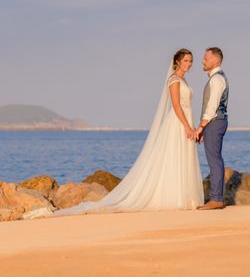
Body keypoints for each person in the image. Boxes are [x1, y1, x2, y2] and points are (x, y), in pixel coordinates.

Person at [54, 48, 204, 215]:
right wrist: (187, 127)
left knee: (183, 158)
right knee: (174, 157)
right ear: (177, 61)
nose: (189, 64)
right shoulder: (174, 79)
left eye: (190, 61)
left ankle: (185, 196)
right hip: (178, 123)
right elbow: (176, 106)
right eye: (186, 61)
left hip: (186, 120)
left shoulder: (184, 80)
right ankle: (175, 197)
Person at [195, 47, 229, 210]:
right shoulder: (217, 78)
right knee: (216, 159)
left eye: (206, 58)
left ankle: (216, 199)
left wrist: (201, 126)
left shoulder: (216, 80)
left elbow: (212, 106)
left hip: (215, 122)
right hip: (216, 122)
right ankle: (218, 197)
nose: (203, 61)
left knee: (214, 160)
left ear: (215, 61)